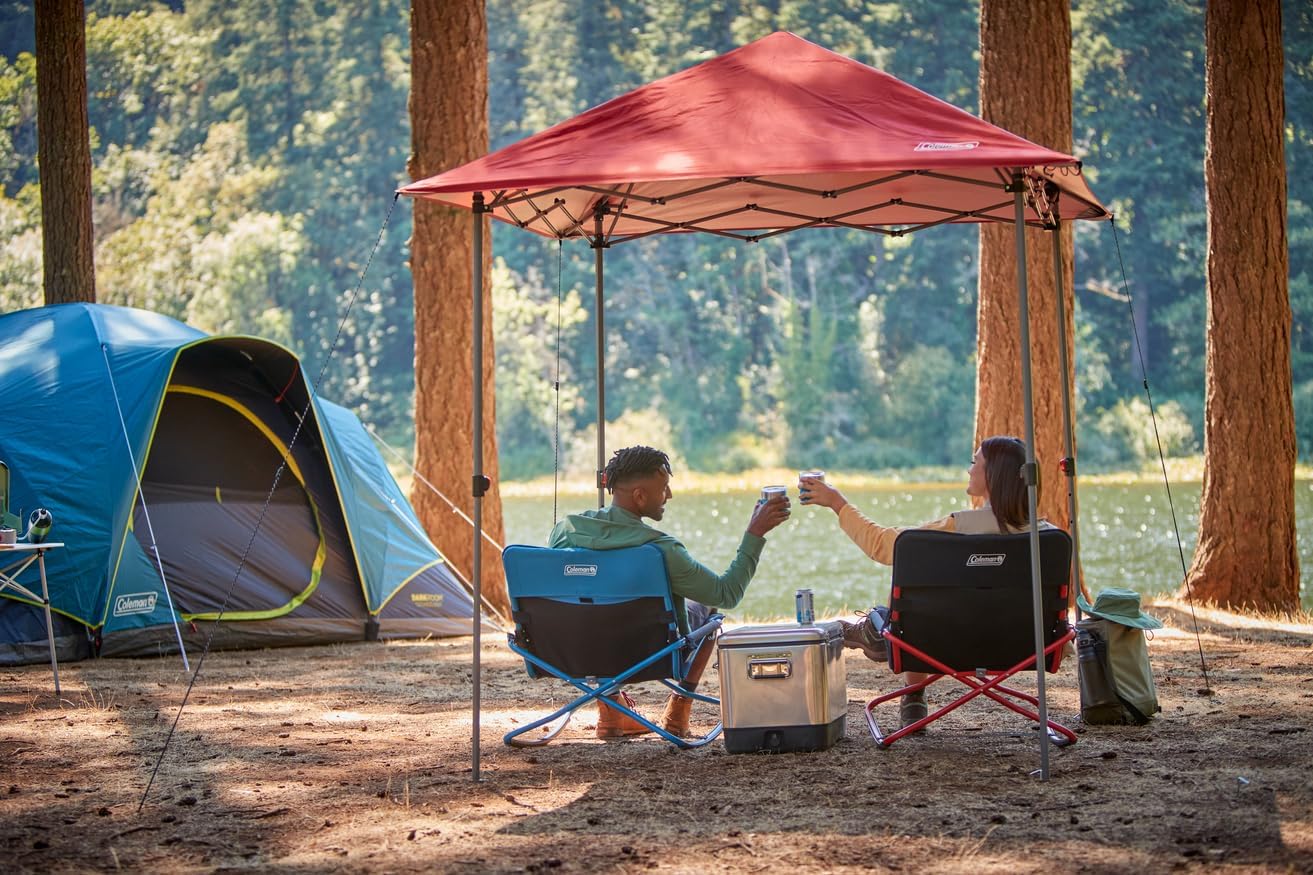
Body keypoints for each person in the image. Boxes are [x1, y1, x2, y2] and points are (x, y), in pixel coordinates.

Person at [799, 435, 1047, 728]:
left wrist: (837, 502)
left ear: (993, 475)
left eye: (974, 462)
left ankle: (910, 686)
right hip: (1024, 646)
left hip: (937, 645)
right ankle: (881, 640)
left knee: (913, 587)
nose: (969, 470)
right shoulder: (1049, 538)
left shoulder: (956, 528)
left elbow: (881, 545)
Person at [549, 445, 791, 739]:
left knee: (594, 608)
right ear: (640, 496)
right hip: (650, 653)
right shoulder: (661, 550)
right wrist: (755, 533)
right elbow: (727, 593)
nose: (670, 495)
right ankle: (679, 711)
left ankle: (612, 710)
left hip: (570, 650)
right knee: (709, 607)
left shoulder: (564, 531)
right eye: (664, 488)